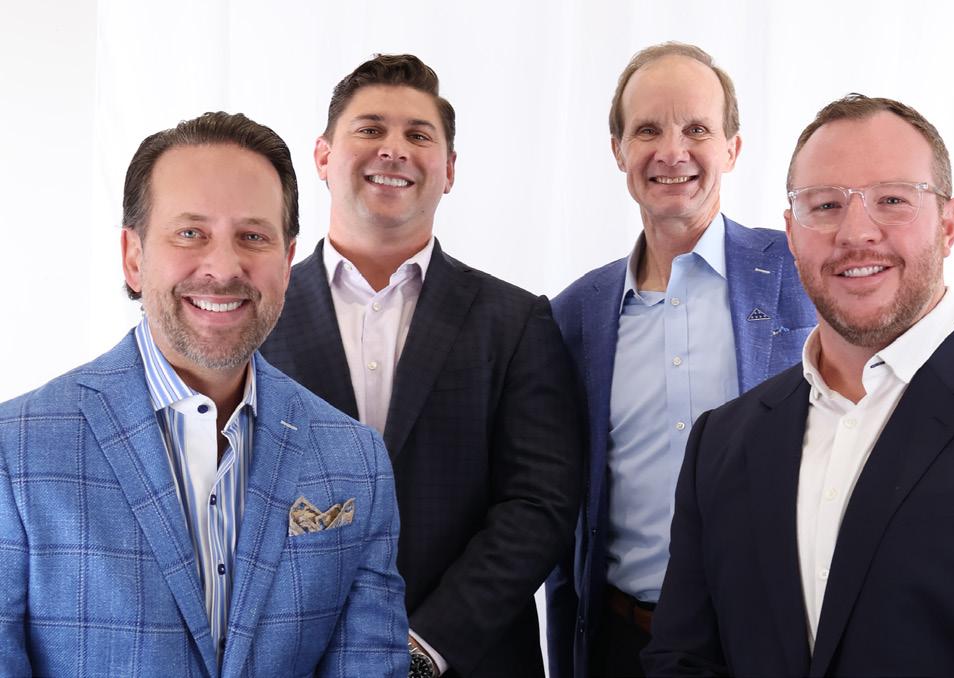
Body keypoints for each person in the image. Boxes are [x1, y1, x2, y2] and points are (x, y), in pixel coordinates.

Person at [643, 94, 954, 676]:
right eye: (825, 205)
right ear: (791, 233)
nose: (856, 232)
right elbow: (682, 659)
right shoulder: (721, 441)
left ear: (949, 224)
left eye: (892, 200)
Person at [0, 112, 409, 676]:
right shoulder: (15, 451)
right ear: (134, 256)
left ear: (287, 262)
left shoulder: (356, 459)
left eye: (253, 236)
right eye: (191, 233)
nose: (223, 267)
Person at [260, 54, 582, 678]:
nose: (394, 149)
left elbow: (540, 504)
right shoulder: (256, 316)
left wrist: (421, 650)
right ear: (323, 156)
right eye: (370, 129)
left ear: (449, 169)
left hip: (470, 660)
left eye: (418, 135)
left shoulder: (516, 321)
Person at [544, 42, 815, 678]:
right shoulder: (572, 316)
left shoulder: (803, 273)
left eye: (696, 129)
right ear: (618, 150)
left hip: (779, 642)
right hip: (623, 645)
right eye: (647, 130)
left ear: (732, 148)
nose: (672, 152)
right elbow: (561, 511)